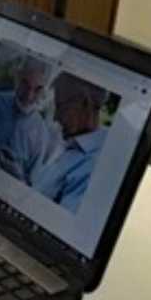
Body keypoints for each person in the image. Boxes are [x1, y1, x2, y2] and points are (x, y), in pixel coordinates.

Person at [28, 73, 108, 212]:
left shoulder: (95, 164)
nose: (56, 117)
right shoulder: (72, 145)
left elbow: (58, 221)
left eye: (60, 106)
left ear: (85, 103)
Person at [0, 55, 53, 180]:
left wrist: (16, 174)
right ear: (17, 78)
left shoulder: (41, 133)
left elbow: (30, 180)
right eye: (25, 84)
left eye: (37, 89)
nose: (29, 96)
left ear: (44, 90)